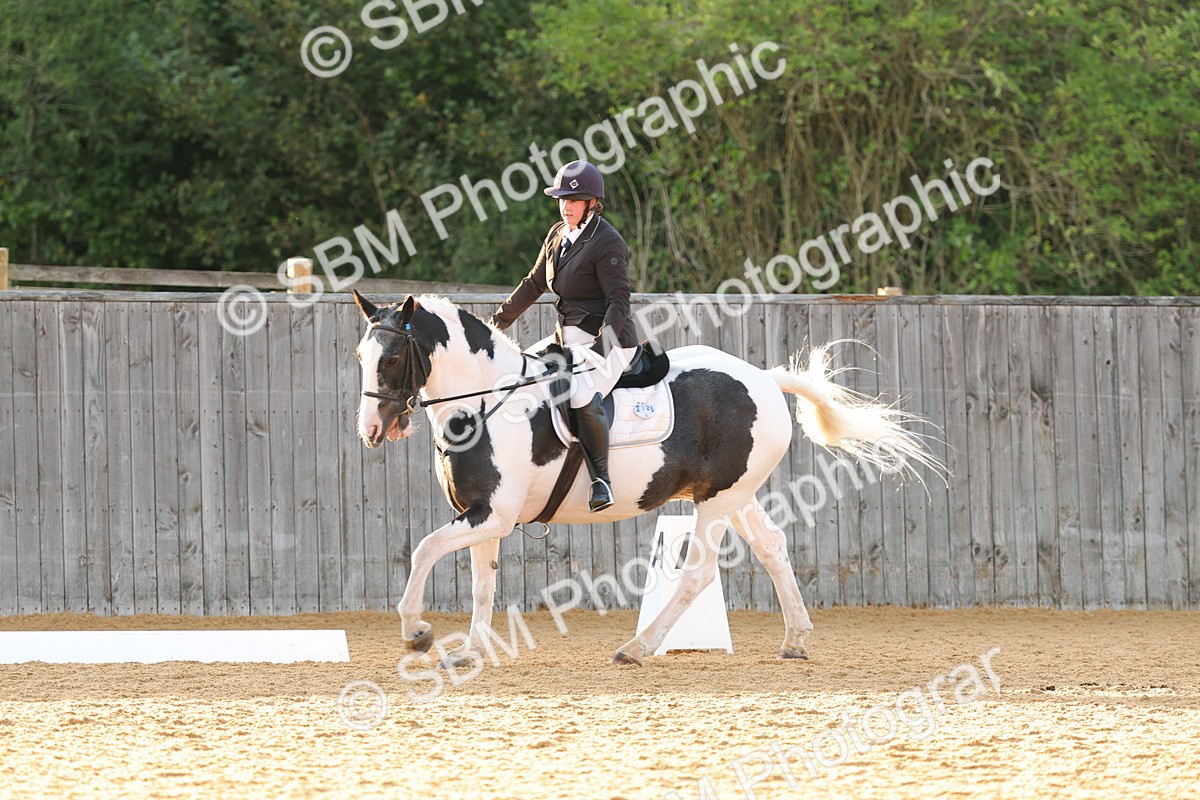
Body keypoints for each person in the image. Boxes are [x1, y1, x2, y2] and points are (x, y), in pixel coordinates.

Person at [490, 160, 639, 512]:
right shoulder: (558, 234)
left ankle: (602, 480)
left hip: (609, 340)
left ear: (592, 203)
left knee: (582, 393)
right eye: (562, 200)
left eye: (575, 200)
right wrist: (496, 323)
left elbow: (620, 302)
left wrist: (603, 347)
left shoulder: (607, 241)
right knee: (522, 374)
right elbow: (533, 284)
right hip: (566, 340)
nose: (567, 206)